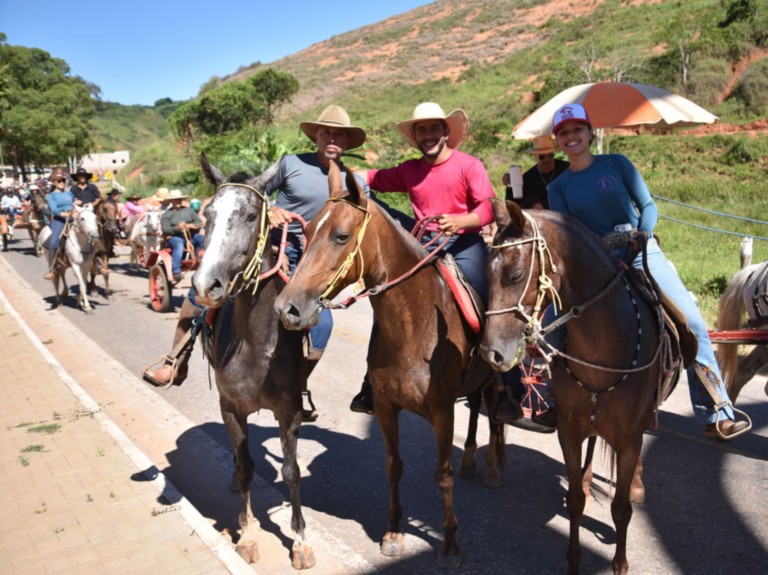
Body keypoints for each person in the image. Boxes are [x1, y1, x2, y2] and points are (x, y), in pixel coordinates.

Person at [143, 105, 383, 421]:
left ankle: (296, 385)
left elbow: (368, 220)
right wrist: (270, 210)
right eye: (327, 132)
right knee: (204, 291)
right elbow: (251, 193)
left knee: (321, 324)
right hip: (276, 251)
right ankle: (177, 358)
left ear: (348, 141)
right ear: (317, 136)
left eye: (340, 133)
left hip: (316, 263)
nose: (333, 138)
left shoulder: (356, 184)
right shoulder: (291, 164)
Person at [544, 102, 748, 440]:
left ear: (590, 132)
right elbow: (570, 235)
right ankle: (557, 399)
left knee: (692, 323)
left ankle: (717, 412)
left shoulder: (617, 164)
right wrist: (606, 249)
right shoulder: (558, 188)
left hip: (642, 255)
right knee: (553, 328)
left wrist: (642, 234)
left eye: (576, 129)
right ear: (557, 140)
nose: (571, 137)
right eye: (563, 133)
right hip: (596, 267)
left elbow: (648, 206)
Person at [349, 102, 521, 422]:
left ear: (445, 131)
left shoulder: (469, 165)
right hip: (422, 247)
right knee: (386, 302)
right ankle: (371, 383)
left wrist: (461, 221)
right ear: (415, 137)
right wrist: (339, 173)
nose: (427, 135)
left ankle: (505, 387)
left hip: (464, 245)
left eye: (433, 128)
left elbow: (488, 206)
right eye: (421, 130)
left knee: (489, 302)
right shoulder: (409, 170)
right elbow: (369, 178)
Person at [502, 135, 570, 209]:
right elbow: (514, 206)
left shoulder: (567, 168)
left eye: (550, 155)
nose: (547, 159)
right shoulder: (528, 178)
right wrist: (509, 185)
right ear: (535, 156)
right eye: (542, 156)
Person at [160, 189, 204, 284]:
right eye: (176, 199)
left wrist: (192, 225)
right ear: (171, 201)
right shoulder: (166, 215)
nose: (178, 201)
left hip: (191, 236)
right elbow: (165, 229)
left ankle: (202, 262)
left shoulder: (189, 210)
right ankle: (176, 271)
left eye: (179, 199)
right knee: (179, 244)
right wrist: (177, 227)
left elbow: (199, 222)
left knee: (202, 239)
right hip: (174, 238)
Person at [42, 172, 75, 280]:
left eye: (63, 181)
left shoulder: (69, 194)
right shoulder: (51, 196)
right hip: (59, 219)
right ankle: (52, 269)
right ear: (54, 182)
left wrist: (76, 208)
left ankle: (97, 262)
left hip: (73, 217)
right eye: (59, 181)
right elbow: (54, 211)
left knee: (90, 232)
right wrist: (67, 214)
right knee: (53, 242)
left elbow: (73, 204)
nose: (61, 183)